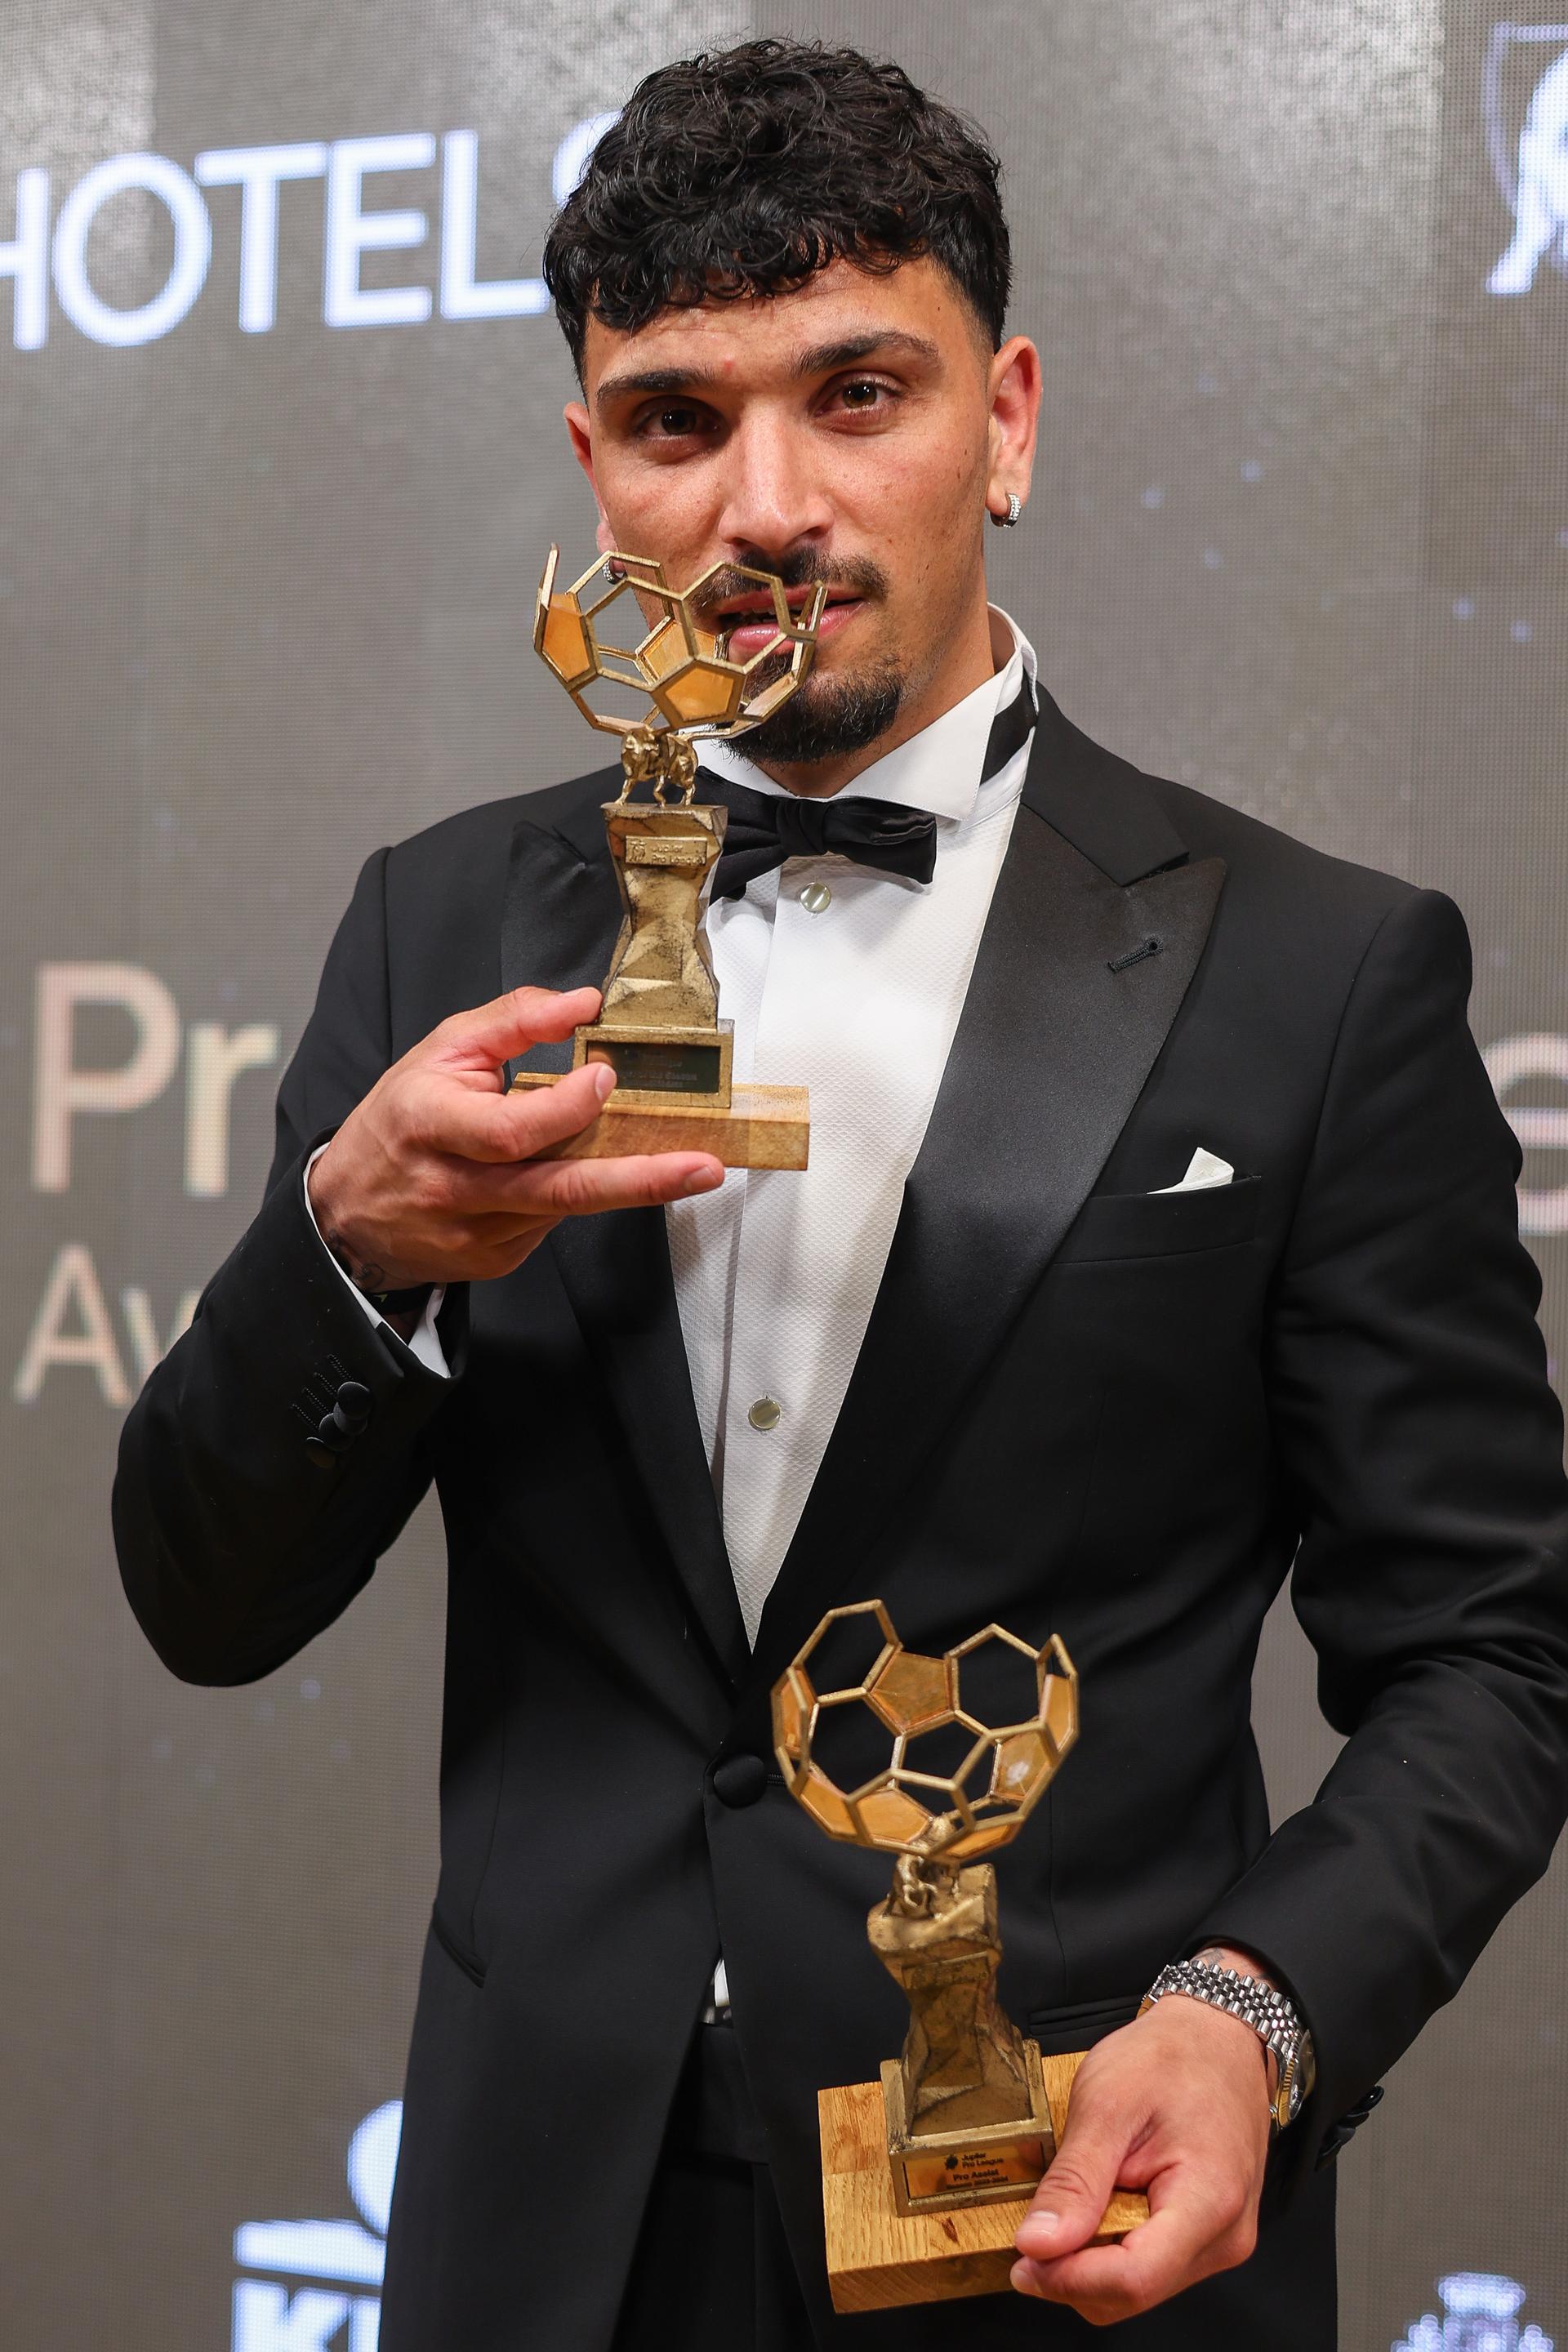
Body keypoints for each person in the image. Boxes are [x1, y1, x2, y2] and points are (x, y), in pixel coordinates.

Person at [113, 38, 1568, 2351]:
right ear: (596, 468)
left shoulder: (1321, 971)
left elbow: (1490, 1654)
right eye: (681, 420)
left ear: (1006, 418)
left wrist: (1259, 2013)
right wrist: (351, 1255)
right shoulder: (439, 921)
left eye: (858, 392)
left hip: (1055, 2207)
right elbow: (200, 1595)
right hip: (535, 2222)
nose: (766, 503)